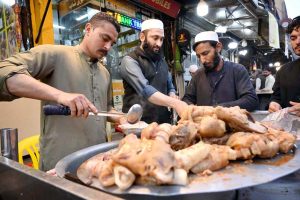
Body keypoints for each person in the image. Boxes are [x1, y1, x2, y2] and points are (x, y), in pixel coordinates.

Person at [0, 13, 125, 171]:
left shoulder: (105, 72)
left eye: (112, 43)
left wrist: (122, 119)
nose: (108, 47)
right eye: (104, 38)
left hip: (97, 161)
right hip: (59, 163)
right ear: (88, 29)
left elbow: (106, 109)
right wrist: (60, 95)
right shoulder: (56, 54)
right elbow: (4, 71)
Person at [120, 19, 187, 124]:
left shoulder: (162, 60)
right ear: (142, 37)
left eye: (161, 39)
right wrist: (175, 103)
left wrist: (172, 93)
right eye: (155, 38)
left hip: (163, 122)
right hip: (139, 124)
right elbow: (146, 90)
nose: (159, 44)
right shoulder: (130, 60)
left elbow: (169, 85)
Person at [182, 31, 259, 111]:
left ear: (218, 47)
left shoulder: (237, 70)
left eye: (205, 53)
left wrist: (218, 109)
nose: (202, 60)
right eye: (199, 56)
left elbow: (251, 100)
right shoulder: (198, 75)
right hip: (205, 123)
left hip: (231, 123)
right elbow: (187, 99)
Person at [269, 16, 300, 116]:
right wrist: (274, 103)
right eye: (293, 38)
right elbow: (276, 96)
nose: (298, 42)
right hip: (289, 130)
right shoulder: (284, 71)